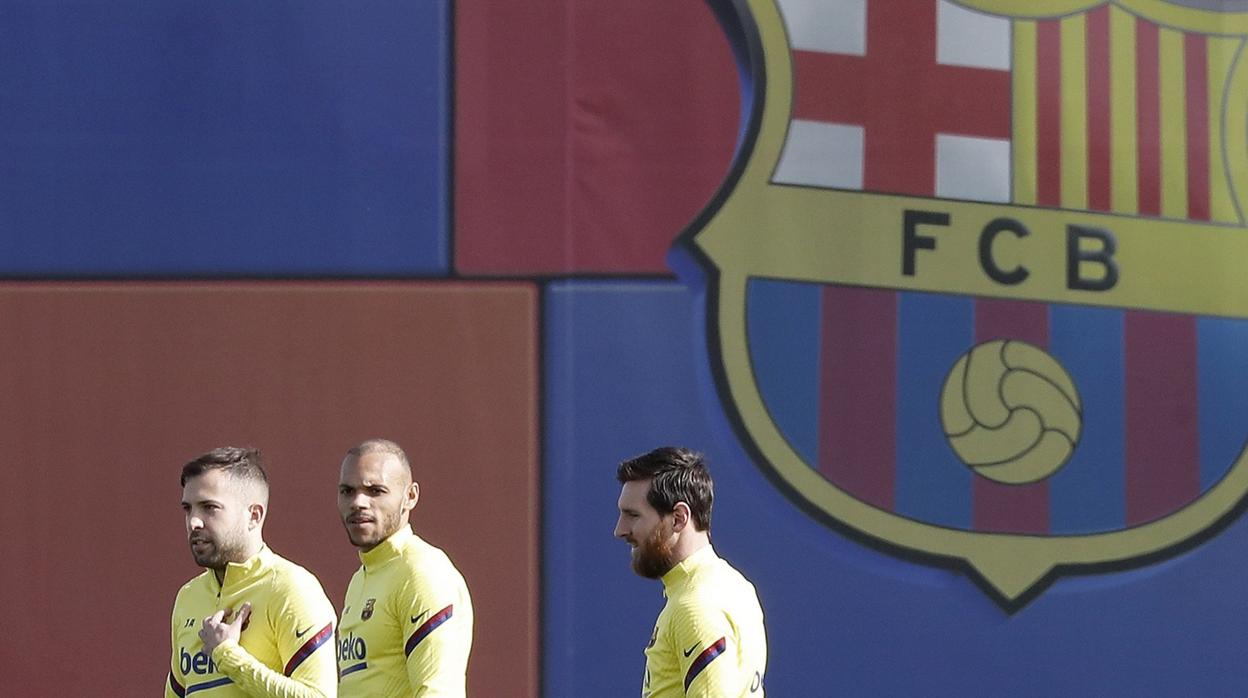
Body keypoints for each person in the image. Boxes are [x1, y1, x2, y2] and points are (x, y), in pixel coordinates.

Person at [167, 447, 337, 698]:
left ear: (254, 516)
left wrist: (228, 655)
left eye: (209, 508)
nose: (194, 522)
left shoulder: (290, 587)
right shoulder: (188, 596)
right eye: (188, 509)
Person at [614, 447, 768, 697]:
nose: (620, 530)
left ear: (678, 518)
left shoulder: (695, 605)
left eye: (633, 515)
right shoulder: (734, 585)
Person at [335, 438, 474, 696]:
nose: (358, 503)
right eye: (347, 491)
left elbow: (438, 692)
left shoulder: (421, 572)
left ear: (410, 496)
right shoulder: (361, 578)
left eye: (375, 491)